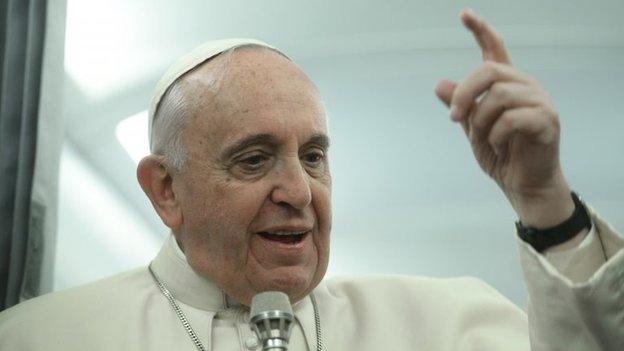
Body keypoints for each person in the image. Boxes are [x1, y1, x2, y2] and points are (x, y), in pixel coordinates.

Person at [0, 8, 622, 351]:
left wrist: (544, 202)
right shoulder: (42, 339)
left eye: (315, 156)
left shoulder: (446, 324)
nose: (299, 192)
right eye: (253, 159)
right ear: (165, 190)